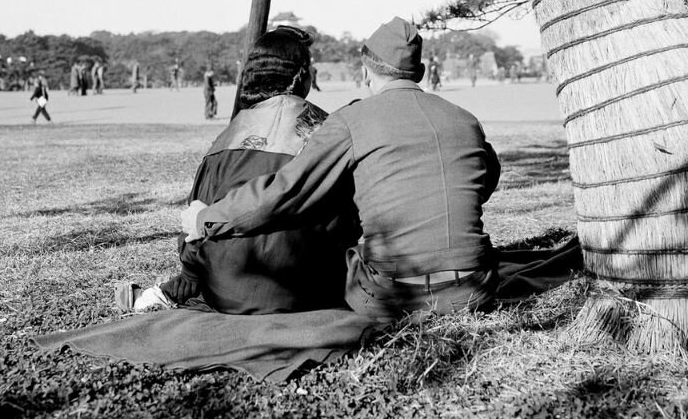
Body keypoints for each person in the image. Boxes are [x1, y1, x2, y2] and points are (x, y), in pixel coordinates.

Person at [181, 17, 500, 321]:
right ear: (422, 70)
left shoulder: (352, 120)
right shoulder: (465, 119)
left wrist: (205, 219)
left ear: (365, 73)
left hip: (392, 296)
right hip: (477, 288)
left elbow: (284, 192)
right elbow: (484, 179)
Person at [117, 26, 360, 314]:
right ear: (300, 75)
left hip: (224, 289)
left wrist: (191, 279)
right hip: (302, 289)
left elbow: (195, 223)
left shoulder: (226, 138)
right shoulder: (326, 128)